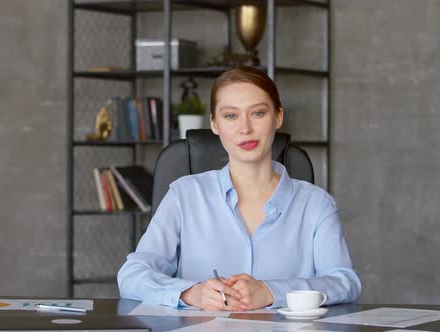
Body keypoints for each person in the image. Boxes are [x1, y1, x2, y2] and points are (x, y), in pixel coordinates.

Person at [117, 66, 361, 311]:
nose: (245, 128)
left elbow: (345, 282)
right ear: (214, 124)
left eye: (257, 113)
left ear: (277, 117)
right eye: (230, 116)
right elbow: (132, 275)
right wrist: (191, 293)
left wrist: (271, 291)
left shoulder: (316, 204)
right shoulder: (184, 195)